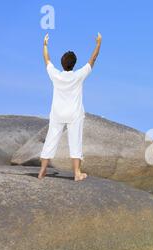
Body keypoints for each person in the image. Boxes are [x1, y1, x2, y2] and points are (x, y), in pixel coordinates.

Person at [38, 32, 102, 181]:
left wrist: (45, 45)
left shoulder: (56, 75)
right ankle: (77, 173)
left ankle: (42, 171)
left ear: (62, 63)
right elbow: (93, 59)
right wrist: (98, 43)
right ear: (74, 64)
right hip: (74, 114)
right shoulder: (78, 75)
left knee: (50, 141)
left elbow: (46, 60)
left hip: (57, 113)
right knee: (75, 142)